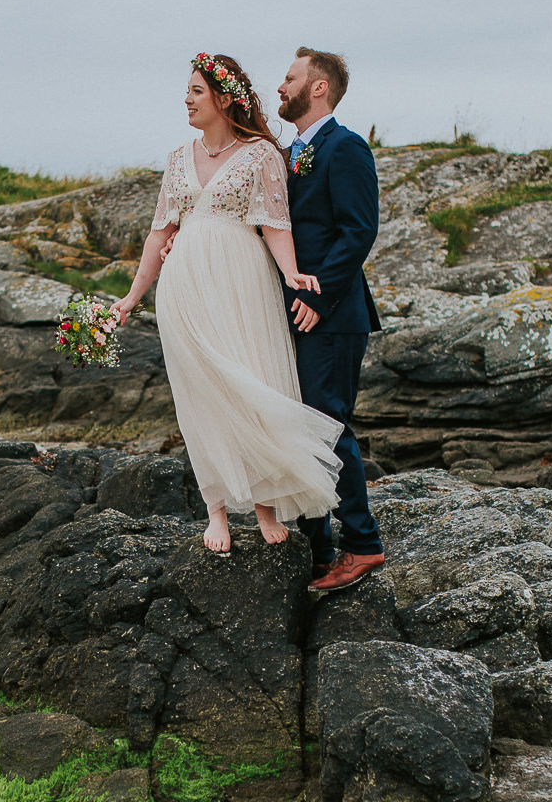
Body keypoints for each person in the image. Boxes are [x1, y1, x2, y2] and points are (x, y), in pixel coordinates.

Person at [114, 54, 345, 554]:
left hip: (243, 281)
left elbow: (274, 224)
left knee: (251, 381)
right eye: (188, 90)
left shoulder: (261, 153)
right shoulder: (178, 158)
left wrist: (292, 275)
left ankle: (264, 504)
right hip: (185, 286)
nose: (187, 99)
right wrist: (132, 297)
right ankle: (215, 510)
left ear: (223, 98)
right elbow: (160, 234)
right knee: (202, 391)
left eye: (196, 90)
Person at [275, 47, 387, 593]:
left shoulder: (346, 147)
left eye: (290, 78)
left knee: (328, 426)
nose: (281, 86)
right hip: (293, 314)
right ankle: (319, 551)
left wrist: (319, 301)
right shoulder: (288, 154)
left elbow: (358, 230)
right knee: (299, 430)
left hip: (335, 317)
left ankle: (362, 545)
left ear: (317, 88)